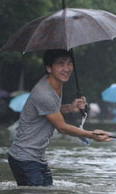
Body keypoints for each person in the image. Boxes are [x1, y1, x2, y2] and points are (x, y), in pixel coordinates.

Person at [8, 49, 110, 186]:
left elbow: (49, 112)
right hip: (24, 159)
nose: (66, 68)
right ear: (49, 68)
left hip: (38, 157)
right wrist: (92, 134)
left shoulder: (56, 84)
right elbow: (61, 127)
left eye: (69, 63)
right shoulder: (44, 93)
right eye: (61, 64)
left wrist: (70, 107)